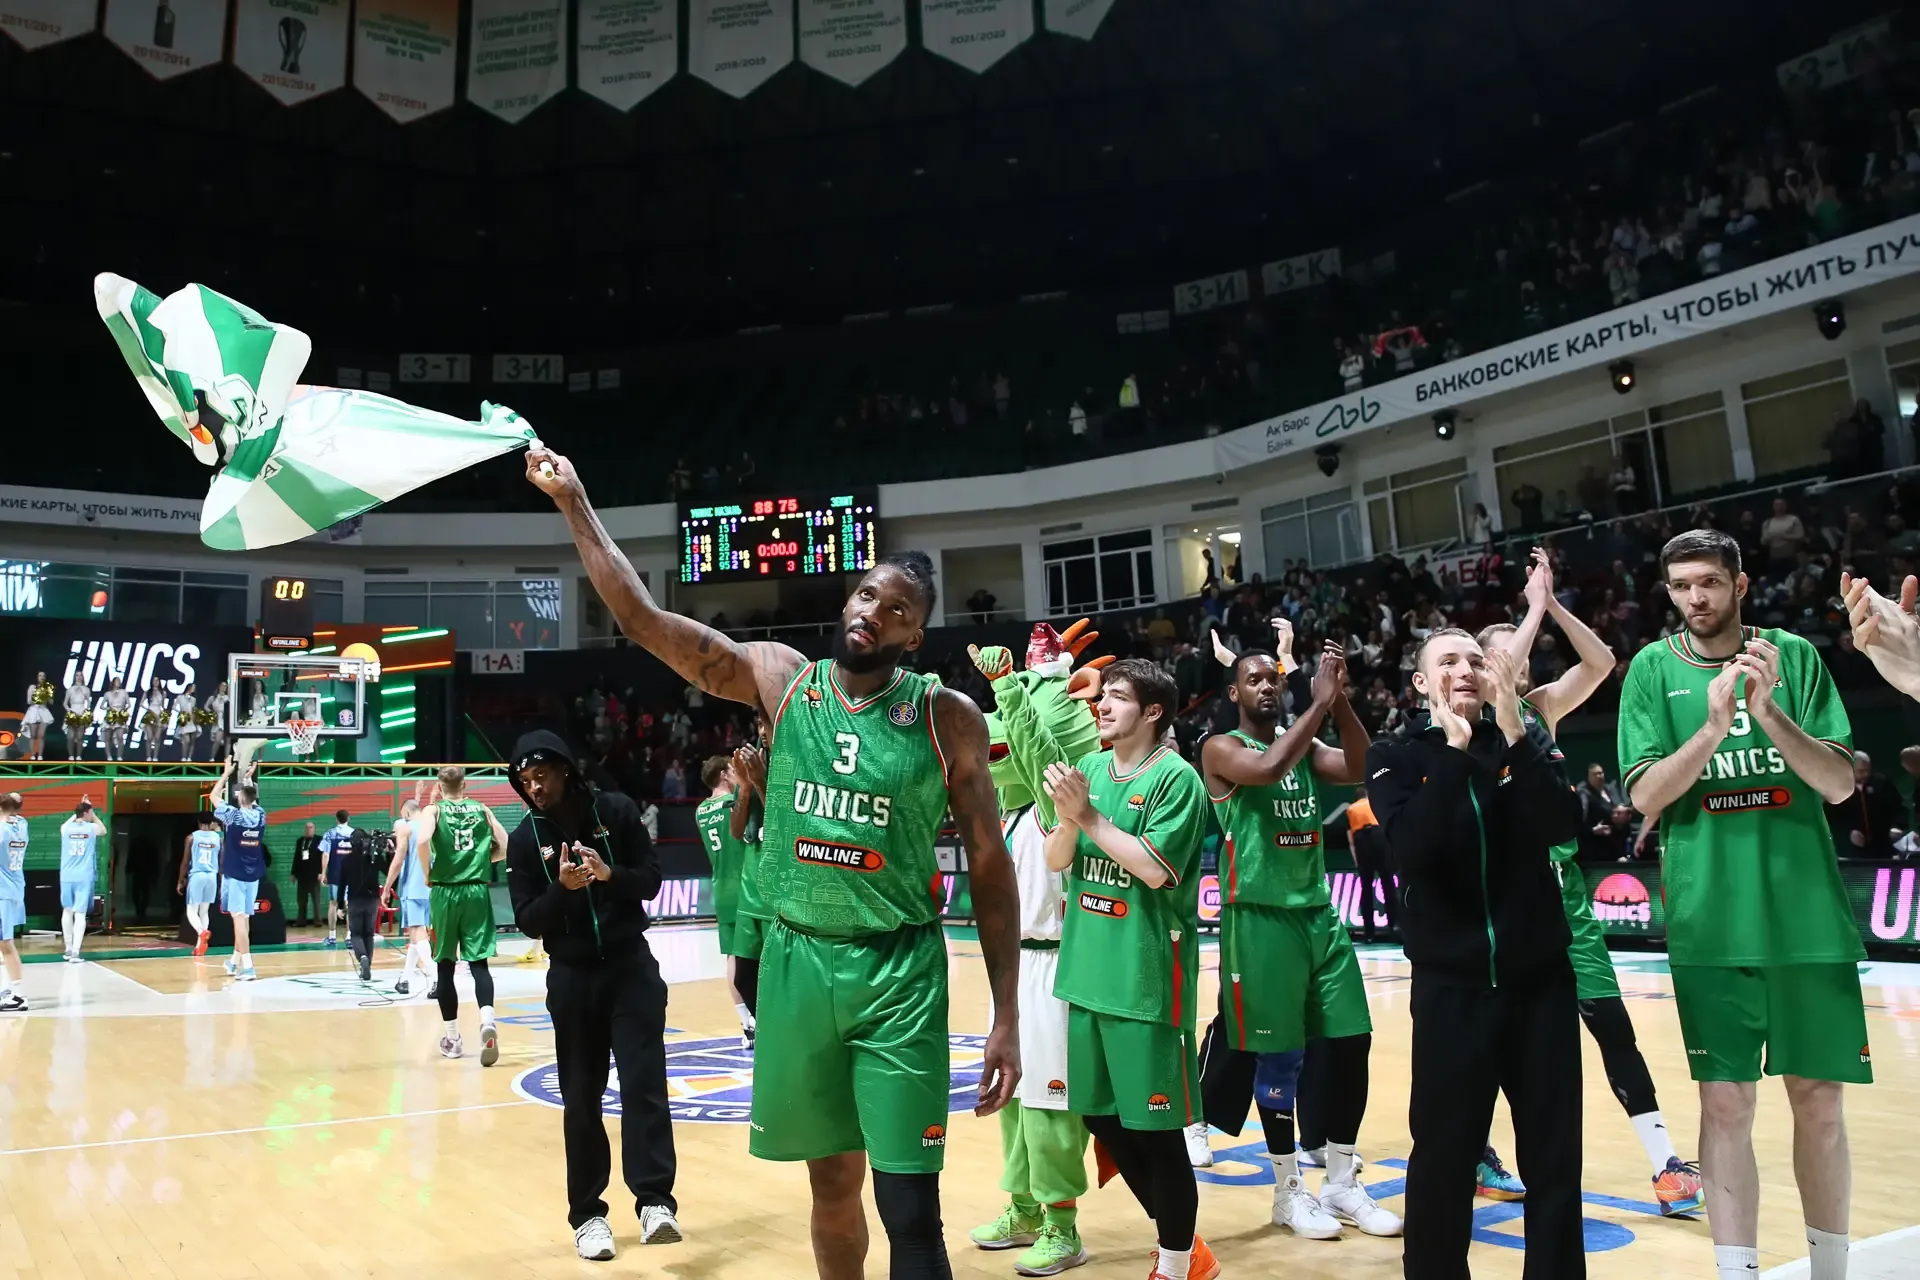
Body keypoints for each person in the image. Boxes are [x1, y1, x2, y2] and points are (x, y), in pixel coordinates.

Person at [527, 442, 1022, 1280]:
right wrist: (575, 500)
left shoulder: (947, 718)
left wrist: (1006, 1012)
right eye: (866, 593)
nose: (873, 611)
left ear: (914, 633)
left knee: (911, 1207)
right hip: (797, 963)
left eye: (896, 608)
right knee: (831, 1189)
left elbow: (989, 863)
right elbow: (643, 620)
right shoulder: (783, 680)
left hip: (898, 970)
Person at [1623, 531, 1863, 1280]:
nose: (1695, 598)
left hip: (1808, 921)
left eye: (1709, 582)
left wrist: (1768, 714)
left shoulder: (1794, 656)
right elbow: (1646, 794)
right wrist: (1712, 726)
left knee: (1819, 1104)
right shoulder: (1652, 669)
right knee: (1725, 1106)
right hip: (1710, 927)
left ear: (1740, 584)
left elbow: (1839, 784)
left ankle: (1830, 1273)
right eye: (1681, 586)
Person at [1480, 547, 1704, 1216]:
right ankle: (1476, 1150)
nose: (1520, 660)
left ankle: (1666, 1164)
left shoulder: (1541, 708)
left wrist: (1549, 605)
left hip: (1565, 896)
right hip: (1505, 899)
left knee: (1613, 1026)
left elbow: (1602, 661)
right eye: (1505, 652)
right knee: (1495, 1037)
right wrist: (1528, 611)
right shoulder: (1470, 725)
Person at [1367, 630, 1585, 1280]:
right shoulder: (1395, 756)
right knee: (1443, 1159)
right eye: (1447, 661)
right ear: (1421, 684)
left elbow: (1561, 824)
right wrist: (1455, 753)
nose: (1464, 669)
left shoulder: (1521, 740)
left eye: (1473, 659)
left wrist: (1514, 729)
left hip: (1541, 985)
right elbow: (1414, 851)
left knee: (1553, 1159)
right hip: (1451, 991)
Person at [1194, 625, 1396, 1243]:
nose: (1266, 686)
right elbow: (1266, 766)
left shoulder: (1304, 741)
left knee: (1351, 1039)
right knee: (1278, 1055)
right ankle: (1288, 1192)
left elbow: (1360, 767)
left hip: (1317, 914)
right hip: (1258, 916)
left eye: (1273, 679)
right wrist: (1317, 705)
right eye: (1253, 679)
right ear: (1234, 692)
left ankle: (1340, 1181)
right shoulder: (1220, 748)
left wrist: (1340, 702)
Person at [1042, 659, 1221, 1280]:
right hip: (1086, 974)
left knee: (1157, 1130)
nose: (1102, 705)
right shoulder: (1089, 770)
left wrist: (1089, 817)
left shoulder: (1176, 779)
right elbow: (1057, 858)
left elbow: (1153, 868)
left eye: (1117, 697)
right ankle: (1185, 1244)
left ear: (1152, 712)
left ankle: (1176, 1262)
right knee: (1099, 1116)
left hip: (1145, 982)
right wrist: (1068, 817)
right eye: (1105, 696)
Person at [506, 730, 679, 1261]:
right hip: (573, 979)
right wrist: (563, 889)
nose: (534, 788)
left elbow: (650, 880)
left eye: (541, 775)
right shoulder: (524, 839)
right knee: (581, 1099)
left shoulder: (618, 810)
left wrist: (609, 875)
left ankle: (655, 1203)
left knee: (644, 1087)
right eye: (525, 781)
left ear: (565, 769)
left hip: (631, 970)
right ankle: (587, 1216)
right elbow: (528, 920)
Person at [964, 625, 1104, 1277]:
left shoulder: (1058, 806)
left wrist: (1010, 690)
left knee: (1050, 1103)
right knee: (1012, 1096)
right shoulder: (1006, 814)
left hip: (1053, 963)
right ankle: (1022, 1208)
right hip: (1010, 967)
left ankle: (1063, 1227)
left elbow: (1033, 749)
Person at [410, 767, 511, 1064]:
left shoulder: (434, 810)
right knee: (479, 963)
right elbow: (506, 844)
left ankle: (452, 1039)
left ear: (440, 787)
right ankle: (487, 1022)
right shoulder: (482, 809)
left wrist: (427, 873)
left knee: (445, 965)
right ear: (464, 784)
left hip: (445, 892)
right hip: (476, 891)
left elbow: (422, 841)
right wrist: (483, 860)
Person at [695, 755, 759, 1046]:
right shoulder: (735, 799)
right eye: (732, 769)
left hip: (721, 888)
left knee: (732, 957)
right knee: (754, 955)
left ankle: (747, 1024)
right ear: (723, 774)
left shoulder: (700, 810)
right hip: (745, 885)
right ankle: (764, 1015)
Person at [211, 763, 267, 982]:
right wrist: (248, 779)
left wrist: (226, 774)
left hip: (235, 873)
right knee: (244, 920)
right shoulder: (261, 815)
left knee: (238, 921)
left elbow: (214, 796)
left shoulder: (233, 816)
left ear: (240, 798)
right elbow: (253, 799)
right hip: (253, 874)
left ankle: (249, 967)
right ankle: (234, 962)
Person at [382, 798, 436, 998]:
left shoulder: (406, 828)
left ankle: (437, 978)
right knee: (416, 937)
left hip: (414, 886)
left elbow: (398, 859)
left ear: (405, 814)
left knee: (418, 931)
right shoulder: (433, 825)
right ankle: (404, 980)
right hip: (433, 886)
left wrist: (387, 887)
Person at [1826, 751, 1904, 859]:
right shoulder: (1838, 787)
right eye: (1861, 771)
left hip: (1883, 849)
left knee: (1883, 869)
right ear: (1850, 769)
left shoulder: (1882, 783)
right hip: (1850, 852)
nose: (1866, 774)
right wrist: (1848, 833)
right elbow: (1832, 817)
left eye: (1868, 770)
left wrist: (1896, 826)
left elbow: (1898, 807)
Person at [58, 797, 107, 962]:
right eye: (90, 812)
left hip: (66, 876)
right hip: (83, 877)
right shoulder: (91, 828)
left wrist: (77, 813)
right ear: (87, 813)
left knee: (67, 911)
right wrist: (94, 815)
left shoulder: (66, 828)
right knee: (80, 913)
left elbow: (64, 825)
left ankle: (67, 949)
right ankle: (75, 953)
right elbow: (104, 830)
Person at [1347, 790, 1393, 942]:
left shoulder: (1351, 809)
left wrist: (1356, 861)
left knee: (1366, 887)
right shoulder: (1375, 803)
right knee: (1388, 883)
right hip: (1379, 837)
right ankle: (1395, 927)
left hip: (1361, 841)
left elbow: (1350, 839)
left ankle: (1369, 933)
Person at [175, 812, 222, 957]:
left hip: (197, 875)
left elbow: (185, 861)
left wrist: (180, 880)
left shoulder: (192, 837)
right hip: (212, 876)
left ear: (198, 821)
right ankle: (199, 947)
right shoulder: (219, 839)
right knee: (204, 911)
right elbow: (222, 862)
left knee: (191, 911)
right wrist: (222, 881)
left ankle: (201, 932)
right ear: (212, 822)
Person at [0, 793, 30, 1010]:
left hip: (3, 893)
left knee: (6, 944)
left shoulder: (1, 830)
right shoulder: (22, 825)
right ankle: (8, 989)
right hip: (15, 889)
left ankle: (18, 996)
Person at [320, 808, 355, 947]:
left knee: (333, 904)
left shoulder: (330, 834)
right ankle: (349, 936)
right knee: (349, 904)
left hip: (335, 874)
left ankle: (332, 936)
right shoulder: (354, 834)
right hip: (351, 874)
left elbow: (325, 854)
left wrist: (323, 872)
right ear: (348, 819)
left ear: (336, 819)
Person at [291, 821, 322, 926]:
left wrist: (321, 872)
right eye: (307, 828)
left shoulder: (319, 840)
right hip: (302, 875)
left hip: (314, 875)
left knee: (316, 899)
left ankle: (318, 921)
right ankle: (301, 921)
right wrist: (293, 873)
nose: (308, 829)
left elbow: (322, 857)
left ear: (314, 829)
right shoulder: (300, 841)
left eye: (311, 827)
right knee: (301, 900)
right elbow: (296, 857)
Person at [21, 672, 54, 762]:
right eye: (40, 675)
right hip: (34, 710)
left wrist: (46, 695)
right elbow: (28, 701)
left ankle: (40, 755)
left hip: (43, 711)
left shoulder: (48, 688)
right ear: (37, 677)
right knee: (33, 735)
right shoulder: (32, 687)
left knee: (41, 735)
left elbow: (51, 702)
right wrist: (37, 697)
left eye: (44, 676)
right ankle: (32, 755)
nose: (42, 677)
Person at [101, 678, 131, 762]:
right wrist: (109, 708)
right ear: (113, 682)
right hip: (111, 716)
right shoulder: (108, 694)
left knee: (120, 737)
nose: (118, 682)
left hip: (120, 716)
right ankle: (109, 756)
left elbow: (129, 704)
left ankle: (119, 756)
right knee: (108, 738)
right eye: (117, 681)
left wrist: (124, 710)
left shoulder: (124, 692)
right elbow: (101, 706)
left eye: (119, 681)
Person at [62, 677, 92, 762]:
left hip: (82, 711)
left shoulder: (86, 689)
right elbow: (65, 703)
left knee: (80, 737)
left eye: (80, 675)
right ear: (74, 677)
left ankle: (79, 756)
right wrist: (69, 711)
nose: (79, 677)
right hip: (73, 711)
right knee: (71, 737)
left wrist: (86, 710)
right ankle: (71, 755)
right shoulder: (70, 690)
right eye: (77, 675)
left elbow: (88, 701)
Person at [139, 679, 169, 761]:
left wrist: (166, 713)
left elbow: (162, 705)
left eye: (157, 680)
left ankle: (155, 757)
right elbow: (141, 704)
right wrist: (148, 710)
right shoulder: (147, 692)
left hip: (158, 713)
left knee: (157, 738)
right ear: (151, 682)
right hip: (150, 714)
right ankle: (148, 756)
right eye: (154, 680)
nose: (155, 682)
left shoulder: (163, 692)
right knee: (149, 737)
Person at [171, 684, 199, 762]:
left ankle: (189, 757)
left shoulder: (193, 699)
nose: (194, 689)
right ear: (189, 687)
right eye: (193, 687)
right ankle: (183, 757)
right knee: (186, 740)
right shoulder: (180, 697)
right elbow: (174, 707)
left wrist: (195, 720)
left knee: (192, 741)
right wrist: (180, 712)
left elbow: (193, 710)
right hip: (184, 720)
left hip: (192, 720)